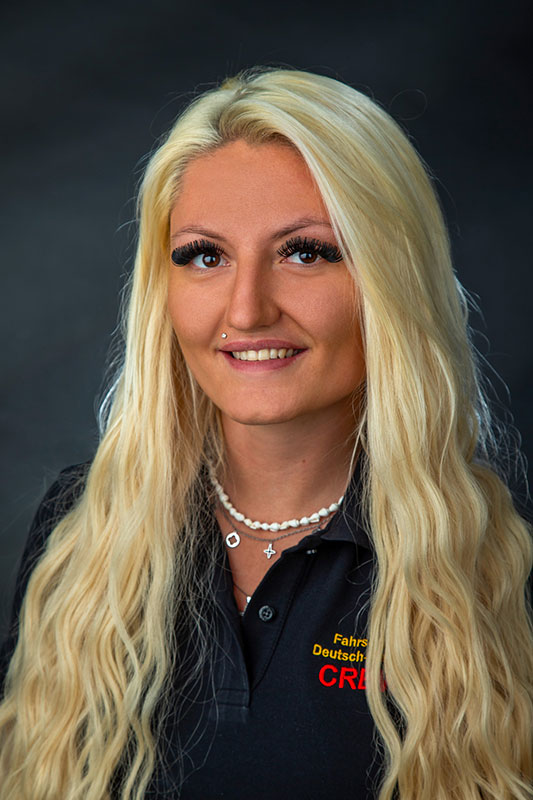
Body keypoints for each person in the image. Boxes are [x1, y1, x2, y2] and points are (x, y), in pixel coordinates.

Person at [0, 67, 531, 800]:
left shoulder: (498, 562)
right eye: (205, 256)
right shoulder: (79, 531)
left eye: (305, 252)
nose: (247, 310)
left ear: (392, 279)